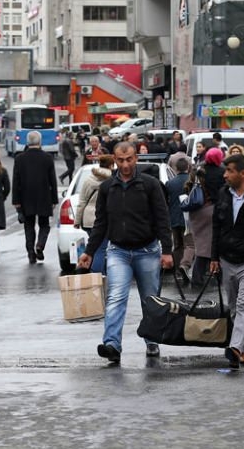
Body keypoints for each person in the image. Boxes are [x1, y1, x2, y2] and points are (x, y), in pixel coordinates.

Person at [78, 142, 173, 362]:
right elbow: (100, 223)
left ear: (136, 158)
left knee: (150, 299)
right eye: (121, 160)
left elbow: (162, 218)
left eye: (129, 159)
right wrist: (90, 251)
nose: (125, 164)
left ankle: (152, 340)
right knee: (116, 297)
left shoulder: (150, 185)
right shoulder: (107, 187)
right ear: (114, 159)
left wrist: (167, 251)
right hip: (118, 251)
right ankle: (112, 344)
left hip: (148, 250)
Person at [210, 153, 244, 366]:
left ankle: (235, 347)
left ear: (243, 173)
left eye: (230, 171)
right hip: (226, 259)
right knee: (234, 307)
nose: (225, 175)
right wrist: (214, 257)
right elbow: (216, 226)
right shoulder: (224, 194)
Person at [12, 130, 59, 264]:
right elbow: (52, 181)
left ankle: (31, 253)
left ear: (27, 142)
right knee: (44, 225)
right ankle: (40, 245)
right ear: (40, 142)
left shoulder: (20, 159)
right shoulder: (47, 158)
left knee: (28, 226)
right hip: (44, 196)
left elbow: (16, 181)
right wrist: (54, 199)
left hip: (25, 197)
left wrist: (16, 201)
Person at [186, 147, 224, 286]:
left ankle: (197, 278)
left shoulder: (199, 170)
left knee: (201, 246)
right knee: (214, 245)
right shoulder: (222, 172)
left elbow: (188, 186)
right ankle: (218, 277)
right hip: (213, 209)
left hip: (197, 211)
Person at [74, 153, 115, 273]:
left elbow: (82, 201)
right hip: (105, 218)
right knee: (101, 248)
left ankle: (97, 273)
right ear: (111, 165)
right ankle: (98, 275)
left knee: (95, 247)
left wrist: (77, 220)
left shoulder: (88, 180)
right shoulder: (113, 180)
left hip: (88, 218)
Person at [165, 156, 190, 283]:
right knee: (189, 244)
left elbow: (166, 200)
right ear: (188, 167)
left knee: (177, 245)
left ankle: (177, 270)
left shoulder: (170, 183)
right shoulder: (191, 181)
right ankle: (184, 266)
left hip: (174, 217)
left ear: (175, 169)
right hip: (188, 218)